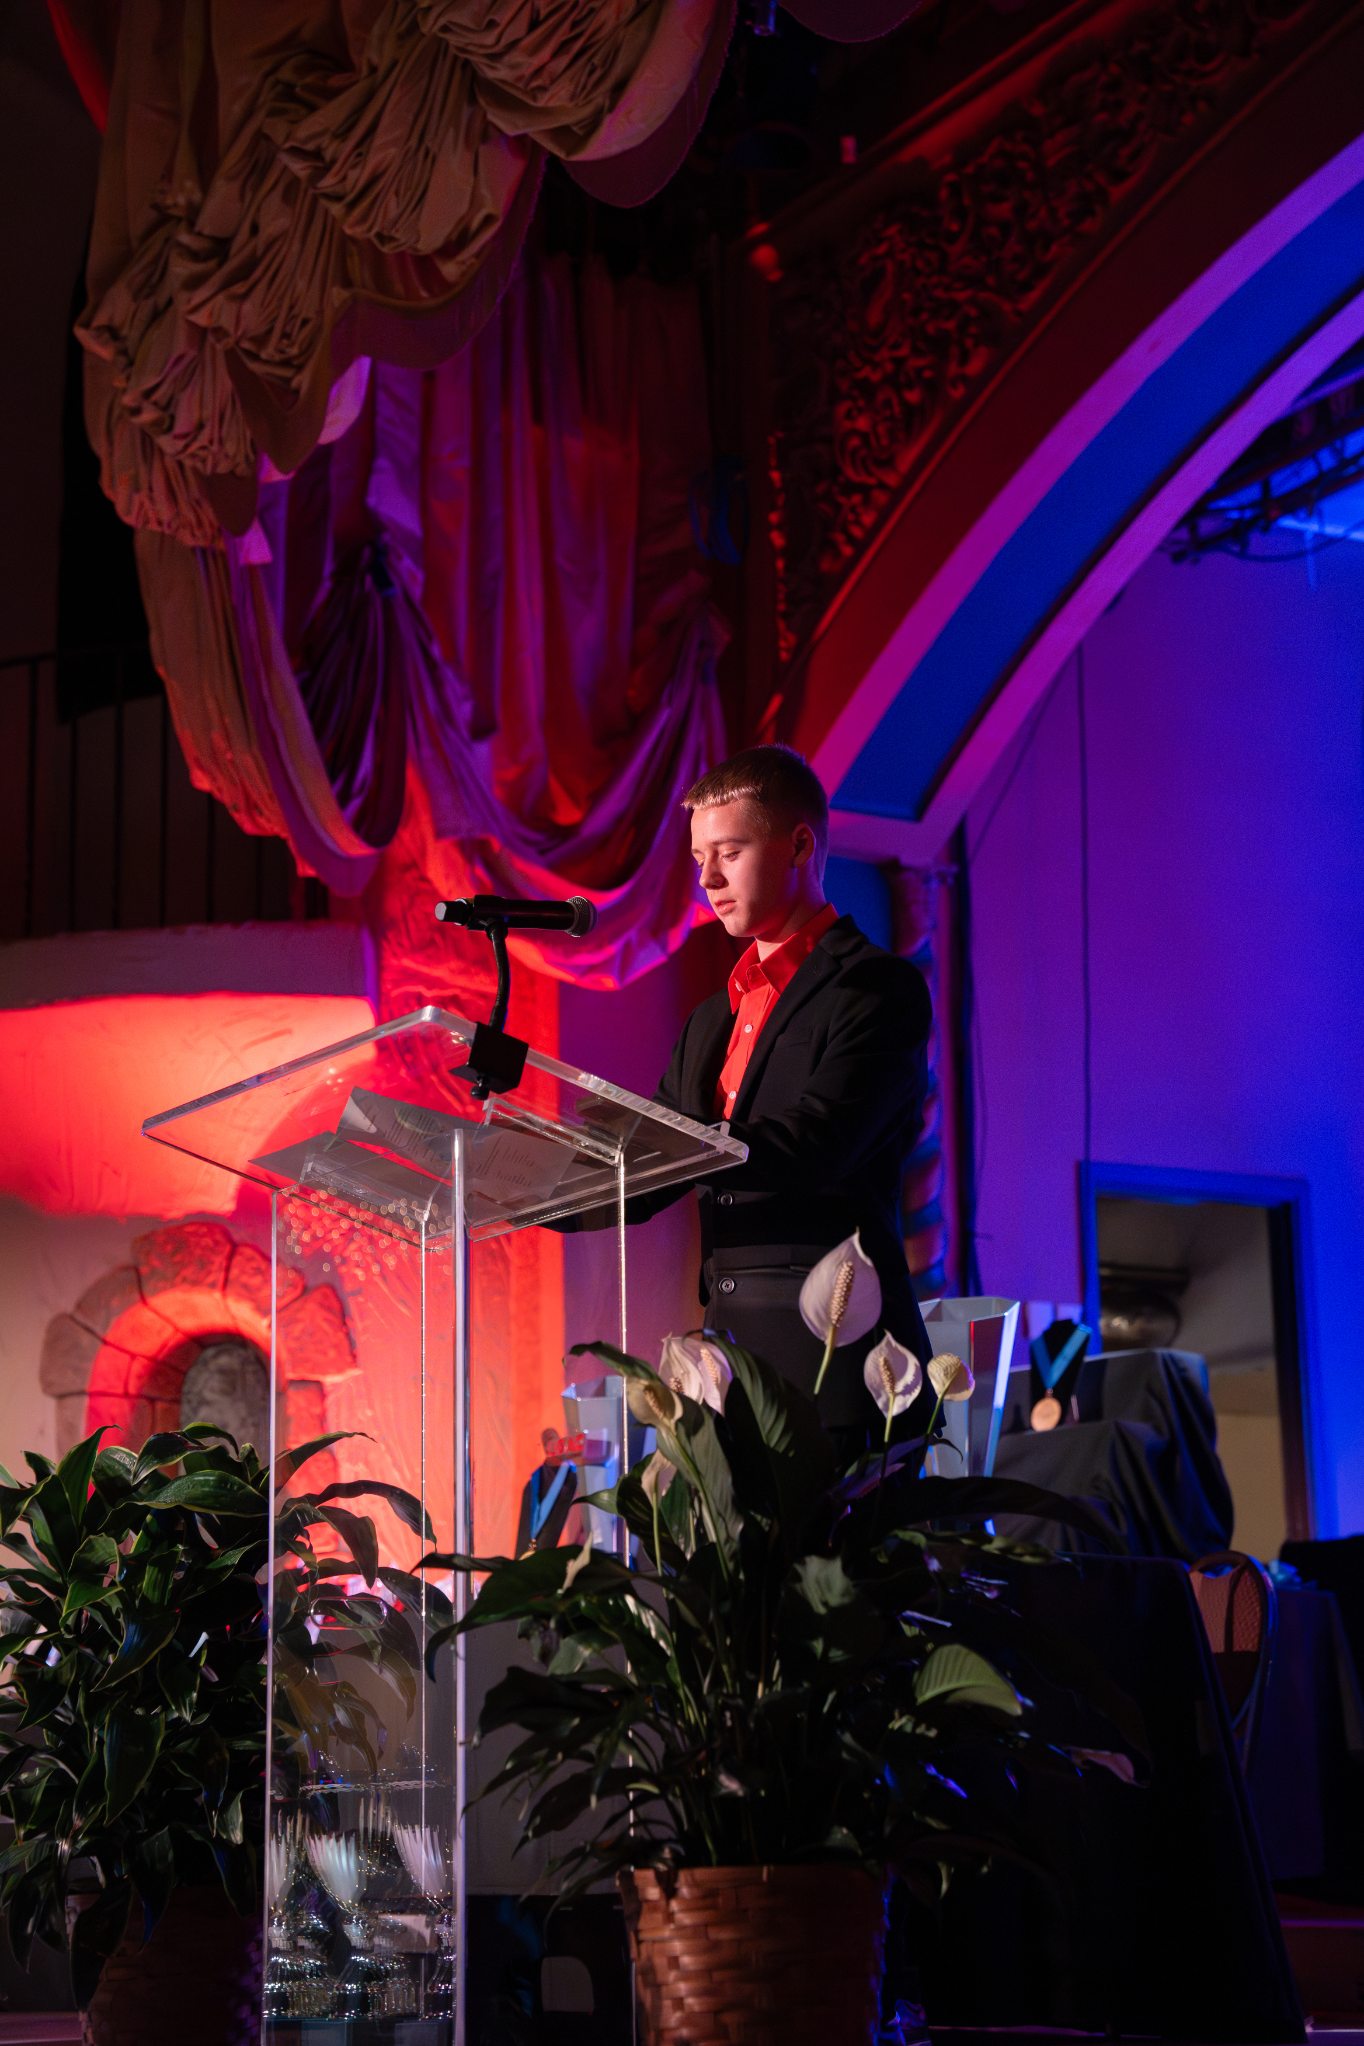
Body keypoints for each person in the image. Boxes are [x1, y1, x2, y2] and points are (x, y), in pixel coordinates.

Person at [644, 743, 934, 1435]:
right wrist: (512, 1188)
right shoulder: (712, 1018)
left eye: (730, 851)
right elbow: (648, 1163)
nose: (708, 878)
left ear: (800, 844)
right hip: (726, 1362)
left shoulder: (875, 989)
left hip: (840, 1364)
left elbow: (817, 1144)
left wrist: (686, 1144)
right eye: (698, 859)